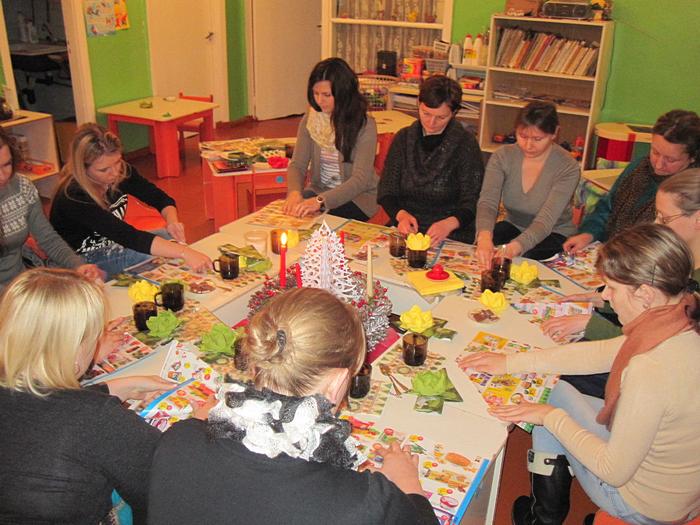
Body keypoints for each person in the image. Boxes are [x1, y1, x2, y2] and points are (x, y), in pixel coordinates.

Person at [460, 223, 700, 525]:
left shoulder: (650, 369)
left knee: (550, 407)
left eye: (613, 288)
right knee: (553, 393)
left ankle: (545, 517)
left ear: (646, 294)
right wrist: (510, 363)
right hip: (681, 485)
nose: (606, 297)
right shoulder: (681, 318)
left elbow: (612, 470)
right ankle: (546, 513)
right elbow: (599, 354)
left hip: (642, 503)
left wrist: (550, 417)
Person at [149, 287, 439, 525]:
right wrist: (409, 486)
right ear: (338, 381)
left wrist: (198, 425)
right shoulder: (362, 503)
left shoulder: (177, 439)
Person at [0, 268, 172, 524]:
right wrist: (195, 428)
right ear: (73, 347)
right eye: (95, 335)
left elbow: (39, 410)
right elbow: (167, 485)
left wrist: (112, 387)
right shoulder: (99, 419)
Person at [542, 168, 700, 397]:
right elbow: (651, 303)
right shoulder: (679, 254)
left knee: (561, 379)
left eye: (664, 218)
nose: (656, 224)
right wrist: (603, 298)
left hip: (658, 379)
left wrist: (590, 323)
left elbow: (656, 340)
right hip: (638, 350)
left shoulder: (679, 265)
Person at [50, 123, 211, 278]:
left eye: (117, 162)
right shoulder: (73, 195)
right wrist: (184, 252)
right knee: (147, 256)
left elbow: (160, 198)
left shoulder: (121, 171)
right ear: (83, 168)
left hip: (111, 243)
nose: (115, 172)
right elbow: (127, 236)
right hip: (78, 260)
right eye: (104, 170)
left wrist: (172, 221)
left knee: (166, 236)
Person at [564, 109, 700, 254]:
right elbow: (607, 207)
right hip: (612, 251)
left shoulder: (691, 189)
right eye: (655, 152)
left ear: (692, 157)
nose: (659, 164)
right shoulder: (639, 168)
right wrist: (589, 234)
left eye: (671, 160)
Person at [378, 75, 484, 246]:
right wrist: (400, 215)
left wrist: (449, 223)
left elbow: (473, 200)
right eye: (426, 113)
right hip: (407, 229)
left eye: (441, 117)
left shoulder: (465, 144)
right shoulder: (403, 138)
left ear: (454, 113)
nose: (431, 122)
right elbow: (386, 190)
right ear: (418, 104)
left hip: (452, 234)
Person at [475, 101, 580, 265]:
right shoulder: (502, 156)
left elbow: (545, 221)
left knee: (524, 260)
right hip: (514, 225)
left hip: (554, 232)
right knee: (481, 245)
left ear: (554, 133)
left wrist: (516, 247)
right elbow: (488, 203)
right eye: (522, 136)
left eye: (537, 139)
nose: (529, 145)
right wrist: (484, 237)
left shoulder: (567, 166)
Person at [0, 127, 101, 289]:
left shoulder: (22, 187)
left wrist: (78, 265)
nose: (3, 176)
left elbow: (48, 239)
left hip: (19, 284)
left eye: (7, 164)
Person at [284, 58, 378, 221]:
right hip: (319, 191)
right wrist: (294, 192)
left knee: (319, 223)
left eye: (327, 95)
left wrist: (321, 201)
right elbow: (297, 164)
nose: (320, 101)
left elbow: (360, 180)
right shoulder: (310, 120)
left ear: (343, 93)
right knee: (291, 217)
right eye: (316, 93)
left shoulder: (365, 124)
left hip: (358, 197)